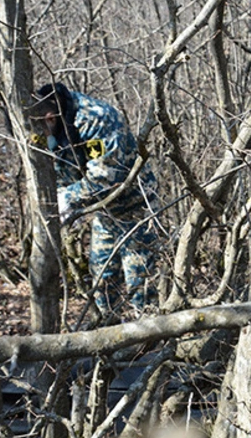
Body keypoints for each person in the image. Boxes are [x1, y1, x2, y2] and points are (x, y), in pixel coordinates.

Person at [28, 82, 160, 319]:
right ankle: (109, 337)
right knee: (102, 279)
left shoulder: (94, 120)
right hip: (105, 213)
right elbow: (60, 170)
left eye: (43, 133)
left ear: (49, 118)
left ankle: (152, 343)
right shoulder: (53, 125)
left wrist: (68, 199)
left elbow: (105, 179)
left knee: (140, 283)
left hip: (136, 208)